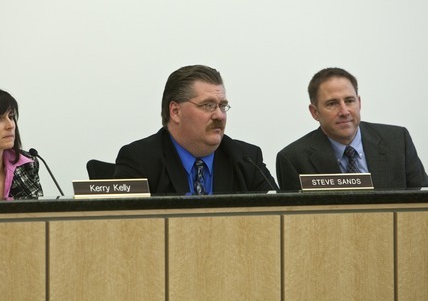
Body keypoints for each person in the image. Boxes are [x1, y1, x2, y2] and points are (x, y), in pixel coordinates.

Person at [114, 64, 277, 195]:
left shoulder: (246, 158)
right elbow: (127, 228)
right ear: (175, 111)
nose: (219, 115)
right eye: (208, 105)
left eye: (222, 106)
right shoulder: (140, 160)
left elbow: (278, 215)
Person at [276, 67, 428, 191]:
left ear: (359, 103)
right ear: (315, 112)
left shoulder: (397, 141)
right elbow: (297, 221)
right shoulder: (293, 159)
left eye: (349, 101)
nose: (344, 111)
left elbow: (421, 203)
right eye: (332, 104)